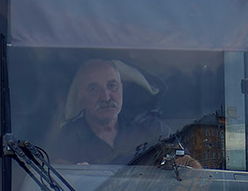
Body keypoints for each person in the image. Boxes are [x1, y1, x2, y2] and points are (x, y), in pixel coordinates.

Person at [50, 58, 198, 168]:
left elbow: (190, 168)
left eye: (112, 86)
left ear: (121, 89)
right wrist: (74, 175)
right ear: (81, 97)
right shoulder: (68, 137)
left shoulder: (150, 127)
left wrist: (182, 165)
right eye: (94, 89)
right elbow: (55, 177)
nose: (106, 97)